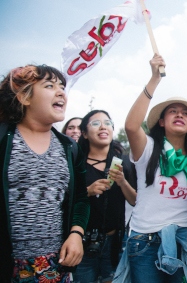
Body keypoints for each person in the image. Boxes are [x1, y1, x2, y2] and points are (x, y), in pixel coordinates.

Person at [123, 53, 187, 282]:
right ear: (161, 121)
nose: (180, 115)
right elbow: (132, 127)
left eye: (185, 114)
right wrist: (154, 79)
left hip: (184, 242)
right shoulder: (149, 148)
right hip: (145, 242)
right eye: (173, 111)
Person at [0, 65, 90, 282]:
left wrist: (76, 234)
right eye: (49, 86)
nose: (61, 92)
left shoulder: (70, 147)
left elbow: (80, 198)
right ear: (24, 97)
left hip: (55, 266)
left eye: (62, 87)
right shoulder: (3, 137)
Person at [73, 110, 137, 283]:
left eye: (107, 123)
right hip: (82, 241)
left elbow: (135, 201)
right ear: (84, 133)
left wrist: (123, 182)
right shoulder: (76, 164)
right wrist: (88, 191)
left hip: (115, 242)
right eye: (96, 123)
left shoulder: (125, 163)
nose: (103, 126)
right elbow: (63, 201)